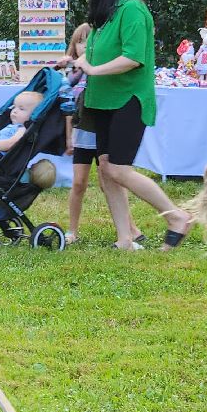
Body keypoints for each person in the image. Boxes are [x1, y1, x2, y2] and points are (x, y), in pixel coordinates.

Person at [70, 0, 191, 251]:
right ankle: (125, 238)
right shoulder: (106, 14)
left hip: (127, 100)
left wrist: (93, 70)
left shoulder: (133, 10)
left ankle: (176, 217)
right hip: (102, 101)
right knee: (107, 169)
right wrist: (77, 60)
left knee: (120, 170)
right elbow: (96, 51)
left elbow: (132, 58)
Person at [61, 22, 141, 245]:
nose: (84, 46)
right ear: (73, 46)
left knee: (112, 182)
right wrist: (69, 137)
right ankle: (72, 230)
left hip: (104, 133)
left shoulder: (105, 72)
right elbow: (67, 109)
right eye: (80, 41)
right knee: (79, 183)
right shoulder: (73, 75)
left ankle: (130, 228)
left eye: (89, 41)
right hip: (82, 135)